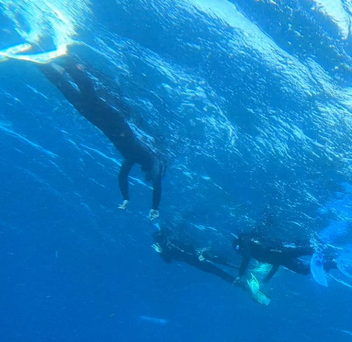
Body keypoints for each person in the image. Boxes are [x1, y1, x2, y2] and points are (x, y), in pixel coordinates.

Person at [38, 57, 165, 220]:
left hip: (104, 121)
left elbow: (122, 176)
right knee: (86, 98)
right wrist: (154, 207)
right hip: (110, 120)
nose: (145, 171)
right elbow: (156, 184)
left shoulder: (132, 158)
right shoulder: (151, 157)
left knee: (77, 97)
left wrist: (126, 198)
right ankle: (67, 63)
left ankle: (45, 66)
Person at [153, 229, 270, 304]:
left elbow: (187, 245)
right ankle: (243, 285)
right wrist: (161, 252)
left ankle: (244, 272)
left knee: (223, 263)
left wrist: (200, 252)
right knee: (218, 271)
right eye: (162, 240)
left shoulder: (171, 242)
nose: (165, 241)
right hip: (197, 261)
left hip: (199, 256)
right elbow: (170, 260)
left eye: (164, 239)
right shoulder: (166, 249)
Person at [233, 233, 337, 283]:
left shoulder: (251, 246)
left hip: (283, 252)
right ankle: (330, 264)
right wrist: (267, 278)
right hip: (282, 260)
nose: (240, 252)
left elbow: (245, 261)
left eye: (239, 249)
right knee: (304, 271)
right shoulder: (253, 255)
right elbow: (276, 263)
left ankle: (321, 250)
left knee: (307, 250)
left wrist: (238, 277)